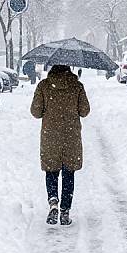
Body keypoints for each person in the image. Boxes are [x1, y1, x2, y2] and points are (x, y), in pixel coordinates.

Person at [30, 64, 90, 226]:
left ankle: (53, 201)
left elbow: (36, 112)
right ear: (69, 67)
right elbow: (85, 111)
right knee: (69, 173)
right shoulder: (77, 86)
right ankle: (65, 211)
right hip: (71, 136)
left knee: (51, 171)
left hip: (51, 135)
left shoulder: (44, 86)